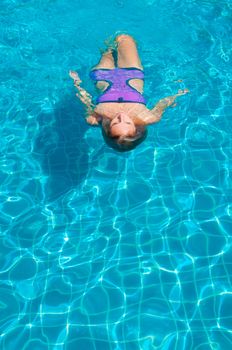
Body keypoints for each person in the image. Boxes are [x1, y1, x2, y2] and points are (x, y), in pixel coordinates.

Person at [69, 34, 189, 152]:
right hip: (131, 73)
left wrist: (77, 83)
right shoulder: (148, 118)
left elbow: (85, 100)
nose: (121, 116)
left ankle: (107, 44)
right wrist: (176, 95)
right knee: (124, 38)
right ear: (137, 128)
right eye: (127, 122)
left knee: (107, 51)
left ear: (107, 129)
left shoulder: (95, 119)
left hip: (102, 75)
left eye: (115, 122)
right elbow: (162, 103)